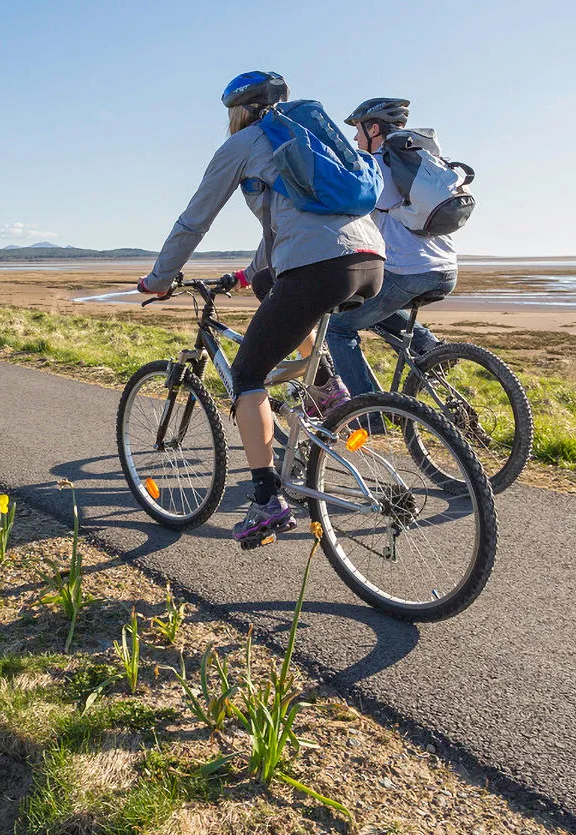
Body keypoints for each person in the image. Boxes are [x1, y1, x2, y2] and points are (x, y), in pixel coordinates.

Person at [136, 71, 385, 546]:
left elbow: (194, 220)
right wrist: (247, 275)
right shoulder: (313, 140)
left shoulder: (245, 142)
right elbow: (287, 223)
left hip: (319, 267)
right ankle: (324, 388)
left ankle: (267, 500)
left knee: (248, 374)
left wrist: (161, 278)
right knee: (272, 285)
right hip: (369, 262)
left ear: (238, 111)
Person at [324, 97, 458, 399]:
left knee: (338, 328)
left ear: (374, 129)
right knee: (368, 305)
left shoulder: (379, 164)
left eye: (358, 131)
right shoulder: (420, 163)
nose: (355, 139)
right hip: (445, 268)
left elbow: (353, 211)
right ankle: (430, 347)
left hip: (408, 271)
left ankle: (367, 412)